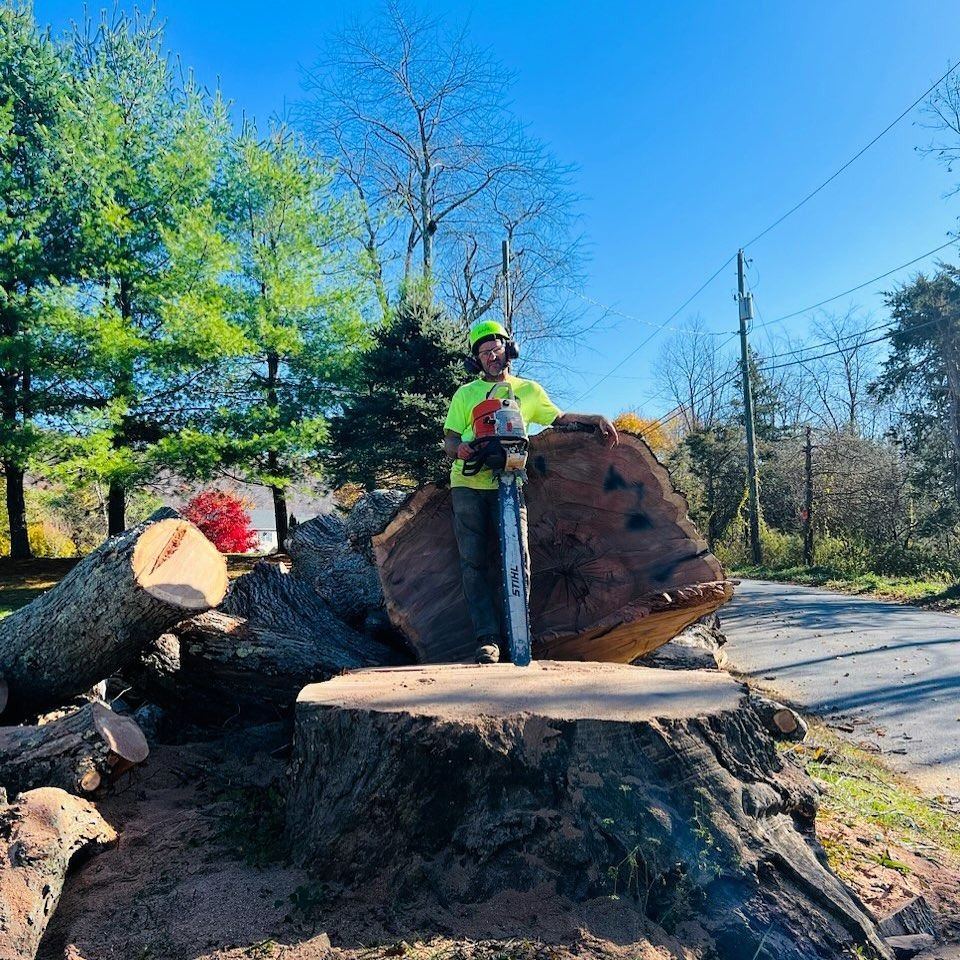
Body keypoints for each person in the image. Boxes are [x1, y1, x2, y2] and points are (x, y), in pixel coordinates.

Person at [443, 319, 619, 664]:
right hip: (469, 482)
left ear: (509, 349)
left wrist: (594, 418)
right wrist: (461, 449)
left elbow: (559, 418)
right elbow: (449, 438)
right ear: (475, 360)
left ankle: (517, 631)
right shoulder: (465, 394)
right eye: (484, 353)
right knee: (473, 561)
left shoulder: (529, 391)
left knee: (518, 557)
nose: (492, 356)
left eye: (496, 349)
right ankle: (488, 639)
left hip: (510, 479)